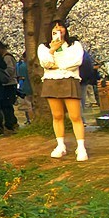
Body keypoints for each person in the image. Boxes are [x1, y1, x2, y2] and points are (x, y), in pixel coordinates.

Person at [37, 19, 88, 161]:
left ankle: (81, 147)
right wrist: (52, 50)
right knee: (57, 115)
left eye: (61, 27)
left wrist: (58, 66)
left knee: (75, 116)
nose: (58, 30)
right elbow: (45, 63)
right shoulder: (43, 47)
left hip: (69, 79)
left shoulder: (74, 45)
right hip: (51, 81)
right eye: (55, 28)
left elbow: (76, 62)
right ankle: (60, 145)